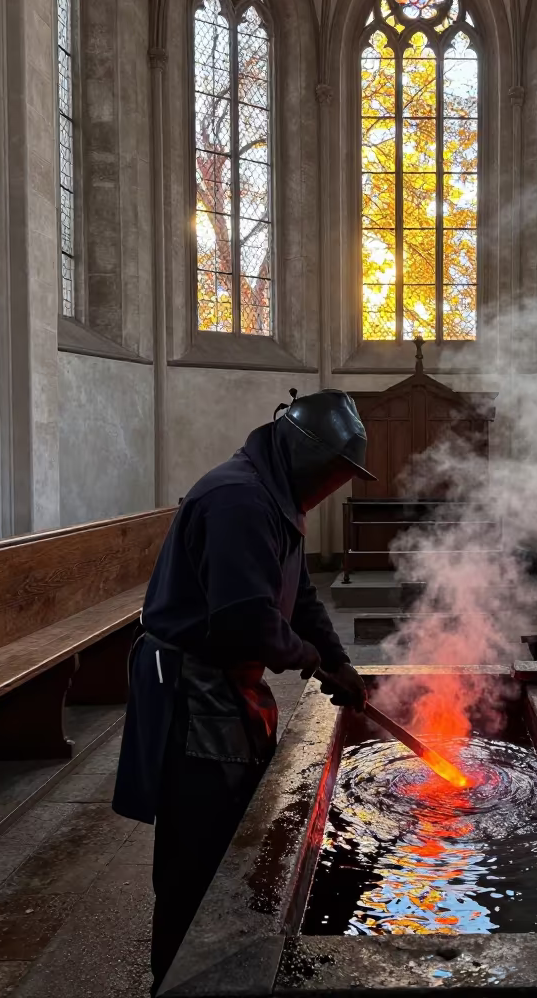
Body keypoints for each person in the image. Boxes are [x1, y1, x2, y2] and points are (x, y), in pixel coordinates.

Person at [111, 389, 375, 995]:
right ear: (306, 454)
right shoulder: (238, 500)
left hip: (224, 680)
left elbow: (298, 594)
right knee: (197, 845)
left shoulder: (274, 495)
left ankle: (232, 956)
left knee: (232, 831)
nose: (334, 488)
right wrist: (313, 662)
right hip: (192, 688)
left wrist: (337, 659)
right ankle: (179, 978)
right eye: (335, 474)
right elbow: (244, 622)